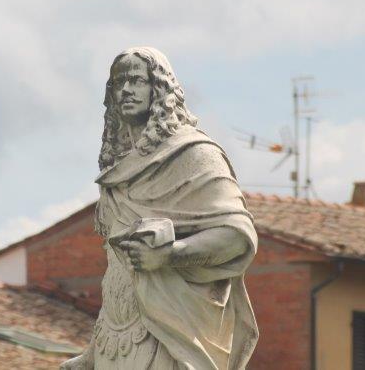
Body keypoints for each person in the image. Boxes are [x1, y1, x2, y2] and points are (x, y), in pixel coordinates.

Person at [61, 47, 258, 370]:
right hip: (116, 342)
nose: (126, 90)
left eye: (136, 80)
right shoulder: (119, 171)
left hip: (173, 338)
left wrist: (171, 254)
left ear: (160, 89)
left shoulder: (195, 154)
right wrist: (93, 354)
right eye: (118, 82)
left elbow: (238, 236)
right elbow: (119, 271)